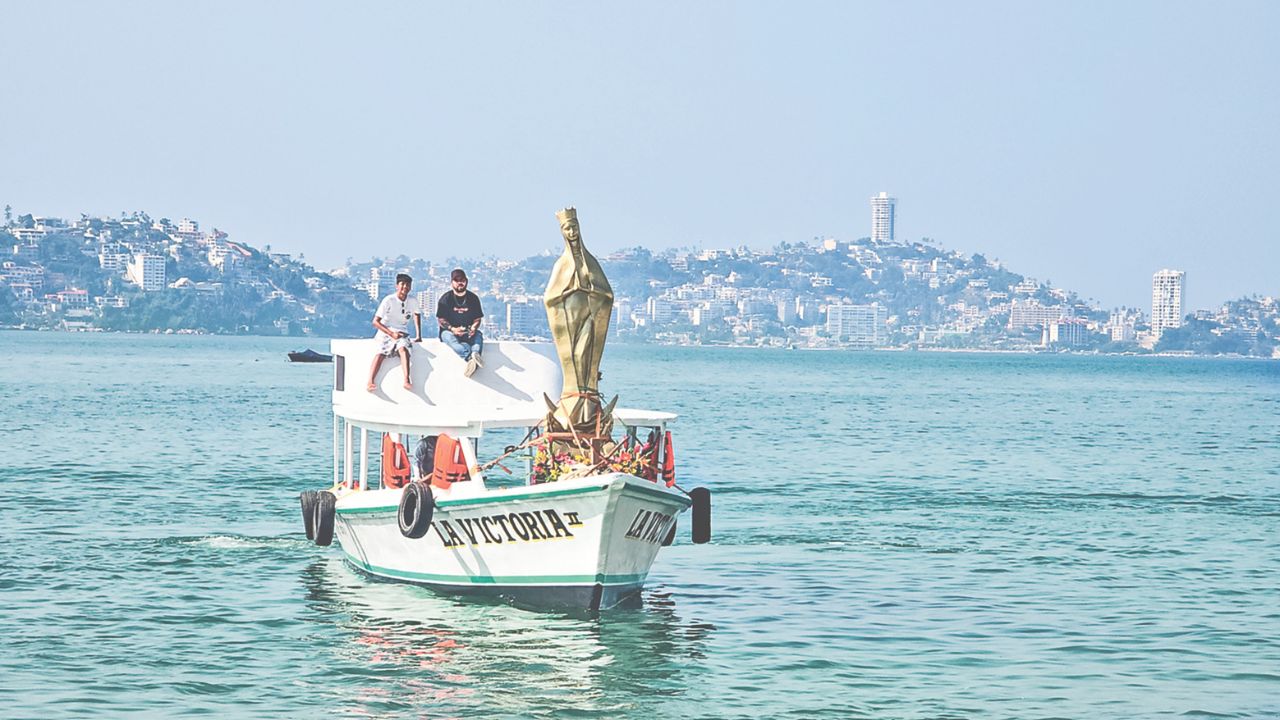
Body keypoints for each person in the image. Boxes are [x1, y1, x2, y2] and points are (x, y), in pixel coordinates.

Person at [367, 273, 422, 391]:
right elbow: (375, 322)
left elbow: (417, 315)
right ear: (397, 286)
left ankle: (406, 379)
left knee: (403, 349)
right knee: (381, 352)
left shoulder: (412, 301)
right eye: (402, 284)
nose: (405, 287)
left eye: (408, 285)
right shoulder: (389, 300)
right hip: (386, 330)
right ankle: (370, 381)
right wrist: (391, 333)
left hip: (402, 331)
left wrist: (418, 335)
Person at [437, 268, 484, 377]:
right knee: (451, 340)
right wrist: (453, 329)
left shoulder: (473, 298)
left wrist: (473, 328)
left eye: (462, 280)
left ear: (466, 281)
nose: (460, 282)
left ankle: (475, 354)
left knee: (478, 337)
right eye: (456, 280)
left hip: (468, 331)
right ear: (452, 282)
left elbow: (477, 318)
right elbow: (441, 319)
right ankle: (470, 358)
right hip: (450, 331)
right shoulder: (445, 299)